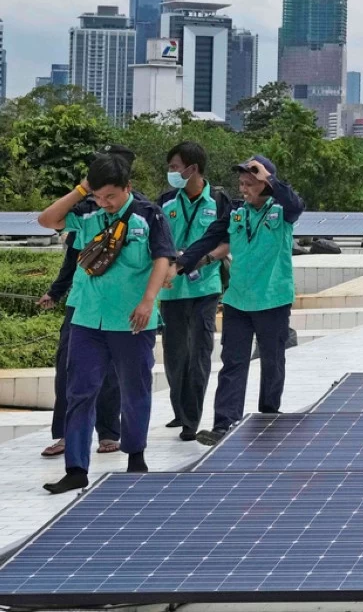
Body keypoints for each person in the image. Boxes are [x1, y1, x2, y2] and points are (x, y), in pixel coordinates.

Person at [37, 153, 174, 494]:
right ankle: (76, 469)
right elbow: (46, 219)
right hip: (87, 319)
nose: (105, 203)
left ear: (128, 187)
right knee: (79, 393)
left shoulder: (148, 215)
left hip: (131, 321)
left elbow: (162, 258)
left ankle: (136, 457)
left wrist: (148, 301)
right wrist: (82, 189)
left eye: (110, 195)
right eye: (98, 196)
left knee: (134, 390)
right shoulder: (88, 213)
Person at [174, 155, 304, 446]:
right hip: (238, 300)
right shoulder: (235, 212)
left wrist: (268, 176)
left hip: (273, 299)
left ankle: (269, 414)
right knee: (233, 362)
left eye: (250, 183)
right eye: (241, 183)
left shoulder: (282, 210)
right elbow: (209, 239)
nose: (243, 189)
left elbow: (296, 205)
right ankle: (224, 424)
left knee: (272, 361)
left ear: (265, 184)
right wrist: (182, 263)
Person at [38, 144, 140, 459]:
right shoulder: (85, 210)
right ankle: (65, 434)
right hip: (82, 304)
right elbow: (70, 253)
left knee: (110, 372)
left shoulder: (141, 211)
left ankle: (109, 432)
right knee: (68, 368)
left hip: (118, 306)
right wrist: (56, 291)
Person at [157, 142, 231, 442]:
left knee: (199, 353)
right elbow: (156, 241)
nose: (171, 172)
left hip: (205, 287)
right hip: (171, 289)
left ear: (193, 169)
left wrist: (206, 258)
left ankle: (191, 420)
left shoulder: (219, 201)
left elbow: (228, 241)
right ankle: (180, 410)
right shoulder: (165, 202)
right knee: (175, 357)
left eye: (175, 167)